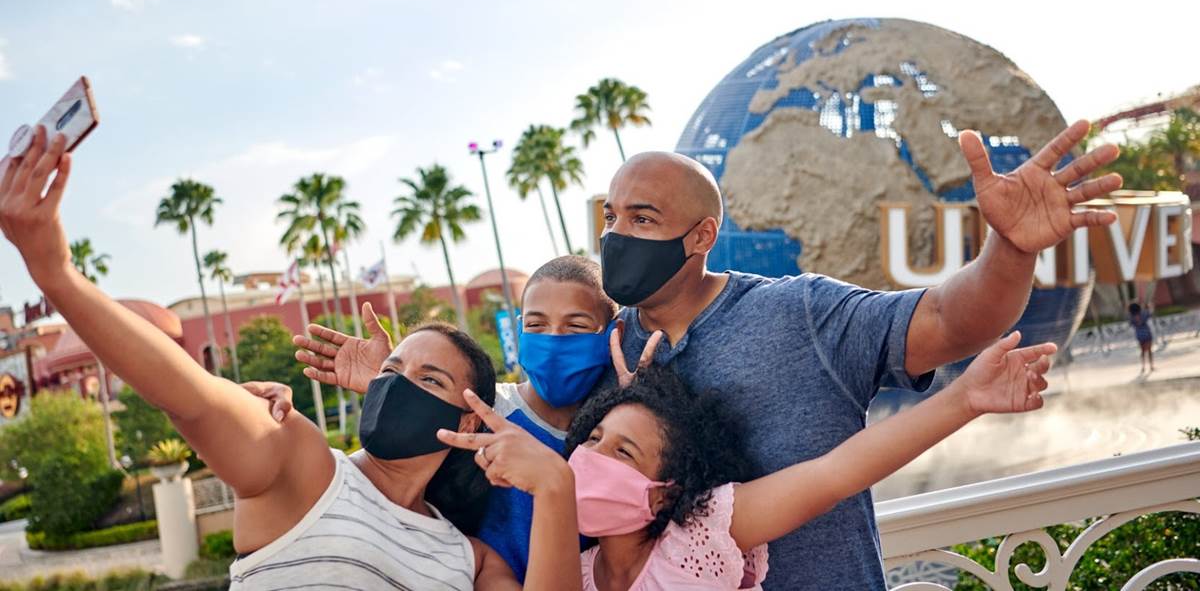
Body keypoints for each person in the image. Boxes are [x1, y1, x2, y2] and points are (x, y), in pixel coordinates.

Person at [0, 126, 581, 590]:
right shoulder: (304, 465)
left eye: (429, 379)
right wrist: (57, 274)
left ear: (470, 421)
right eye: (390, 372)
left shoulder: (469, 558)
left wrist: (556, 486)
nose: (396, 387)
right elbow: (188, 395)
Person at [599, 121, 1122, 588]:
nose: (617, 235)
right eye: (610, 217)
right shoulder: (603, 348)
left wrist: (1011, 247)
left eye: (642, 219)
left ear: (703, 236)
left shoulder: (800, 313)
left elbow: (950, 321)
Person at [439, 331, 1056, 590]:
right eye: (592, 439)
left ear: (665, 490)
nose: (591, 458)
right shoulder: (571, 571)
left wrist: (963, 399)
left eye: (623, 450)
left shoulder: (701, 533)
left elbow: (835, 473)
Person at [262, 254, 662, 581]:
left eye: (575, 326)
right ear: (520, 329)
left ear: (613, 332)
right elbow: (378, 471)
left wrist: (638, 406)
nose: (554, 339)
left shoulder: (612, 437)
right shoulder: (478, 411)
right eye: (537, 325)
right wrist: (394, 382)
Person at [1128, 302, 1155, 372]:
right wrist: (1149, 306)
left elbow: (1130, 324)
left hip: (1139, 334)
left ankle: (1143, 366)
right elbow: (1150, 313)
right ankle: (1151, 366)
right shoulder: (1143, 314)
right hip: (1147, 333)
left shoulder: (1131, 317)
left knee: (1142, 351)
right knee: (1149, 350)